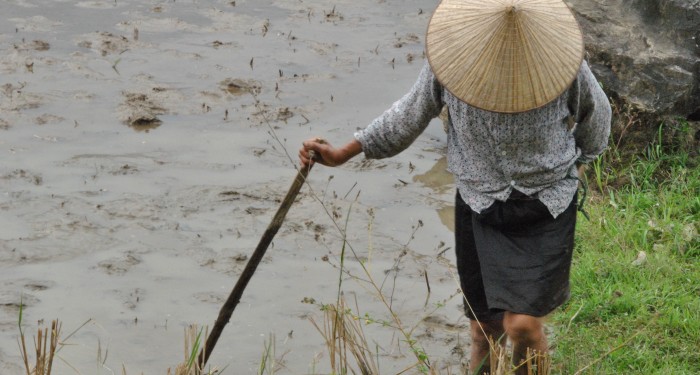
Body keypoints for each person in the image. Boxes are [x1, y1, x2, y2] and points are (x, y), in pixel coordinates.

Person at [299, 0, 612, 373]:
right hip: (479, 203)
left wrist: (578, 165)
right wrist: (341, 154)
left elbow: (598, 117)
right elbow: (407, 117)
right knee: (484, 328)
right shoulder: (451, 68)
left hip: (546, 204)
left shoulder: (563, 68)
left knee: (523, 326)